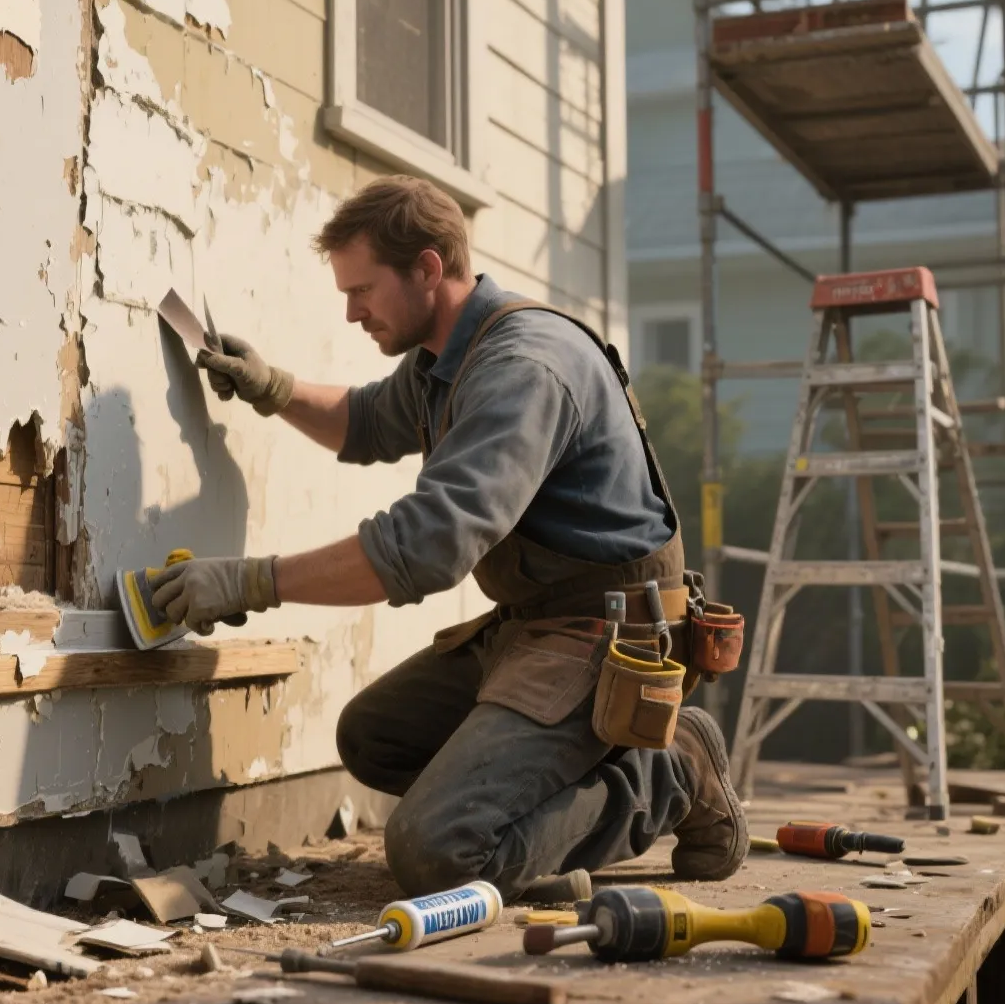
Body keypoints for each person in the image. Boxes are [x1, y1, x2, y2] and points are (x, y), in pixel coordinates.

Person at [152, 175, 748, 898]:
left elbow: (423, 548)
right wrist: (271, 386)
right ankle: (559, 777)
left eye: (362, 290)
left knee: (439, 854)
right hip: (535, 626)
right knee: (374, 737)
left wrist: (251, 581)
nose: (350, 313)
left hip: (604, 638)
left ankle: (673, 769)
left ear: (428, 269)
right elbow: (368, 422)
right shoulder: (448, 354)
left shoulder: (520, 368)